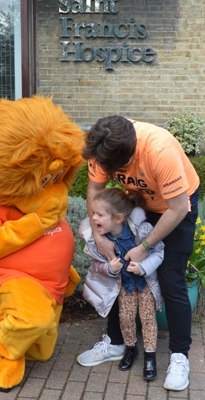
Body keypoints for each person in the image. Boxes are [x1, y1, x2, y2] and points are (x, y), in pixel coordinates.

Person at [77, 115, 200, 392]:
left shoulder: (159, 150)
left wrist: (144, 247)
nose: (105, 170)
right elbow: (96, 189)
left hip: (176, 205)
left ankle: (180, 356)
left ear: (127, 157)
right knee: (117, 268)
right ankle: (116, 343)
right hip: (140, 204)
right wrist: (99, 236)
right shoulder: (102, 144)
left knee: (171, 277)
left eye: (112, 169)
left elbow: (178, 209)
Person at [78, 188, 164, 380]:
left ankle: (150, 356)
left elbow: (159, 252)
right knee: (125, 319)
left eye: (99, 215)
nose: (94, 219)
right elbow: (96, 265)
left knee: (148, 319)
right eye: (93, 214)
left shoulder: (141, 230)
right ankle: (130, 349)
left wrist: (142, 268)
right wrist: (110, 268)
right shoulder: (98, 241)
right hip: (125, 288)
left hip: (145, 285)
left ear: (117, 218)